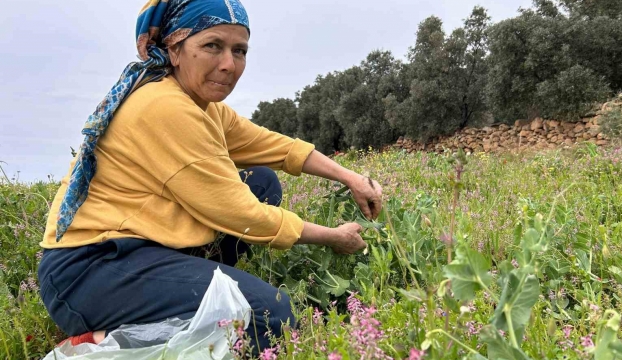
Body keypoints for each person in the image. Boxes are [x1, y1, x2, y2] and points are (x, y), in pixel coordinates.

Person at [37, 0, 382, 354]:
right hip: (89, 272)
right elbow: (241, 213)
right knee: (269, 315)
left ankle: (184, 298)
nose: (229, 64)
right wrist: (334, 238)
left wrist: (349, 176)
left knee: (261, 182)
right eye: (212, 46)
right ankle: (104, 340)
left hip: (140, 247)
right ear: (174, 49)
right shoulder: (165, 107)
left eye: (239, 50)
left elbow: (277, 148)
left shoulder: (203, 106)